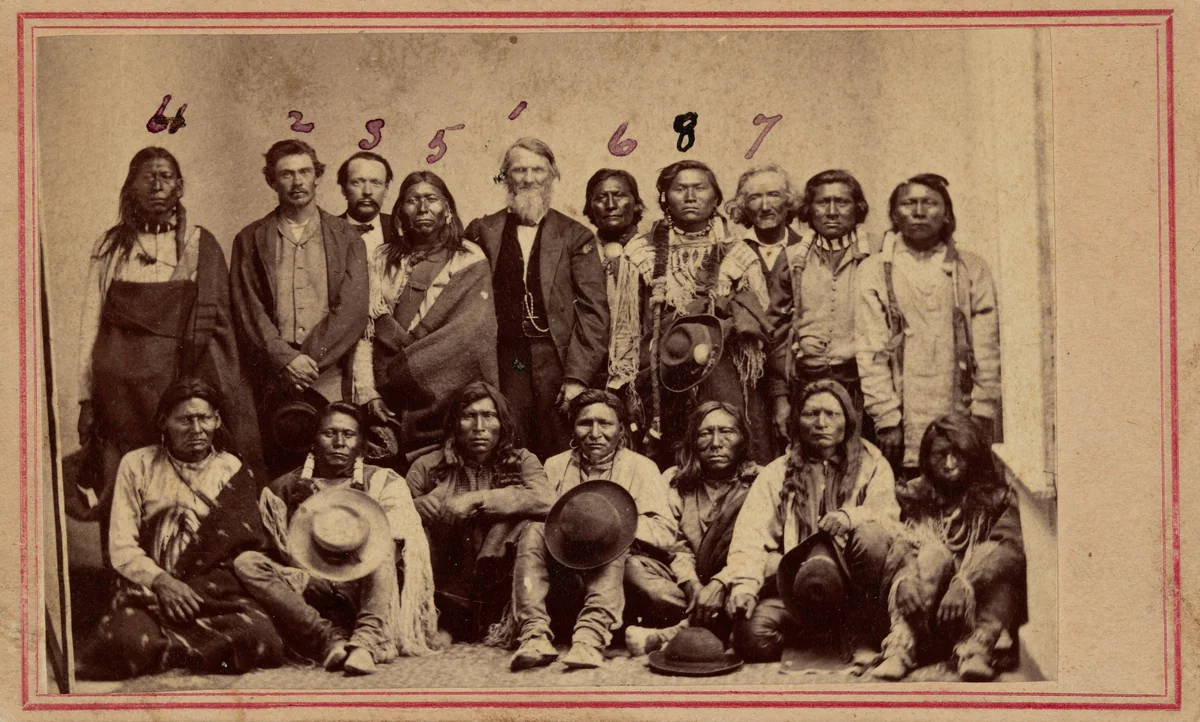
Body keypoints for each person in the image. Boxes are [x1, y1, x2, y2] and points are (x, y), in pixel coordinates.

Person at [76, 148, 264, 554]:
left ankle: (188, 573)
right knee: (124, 482)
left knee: (183, 480)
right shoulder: (110, 247)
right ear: (132, 186)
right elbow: (91, 322)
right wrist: (86, 396)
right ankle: (128, 578)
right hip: (119, 398)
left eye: (166, 177)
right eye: (147, 177)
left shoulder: (198, 243)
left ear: (180, 185)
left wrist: (195, 389)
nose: (157, 185)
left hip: (178, 386)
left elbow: (216, 325)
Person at [76, 378, 283, 680]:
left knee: (262, 638)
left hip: (213, 594)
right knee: (122, 642)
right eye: (185, 419)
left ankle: (168, 648)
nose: (197, 430)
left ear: (217, 420)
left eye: (205, 418)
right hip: (151, 591)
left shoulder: (232, 469)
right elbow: (122, 545)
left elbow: (243, 547)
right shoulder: (137, 465)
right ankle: (199, 648)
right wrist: (162, 582)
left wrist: (197, 589)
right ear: (164, 422)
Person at [234, 402, 438, 675]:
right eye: (329, 434)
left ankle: (366, 641)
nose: (339, 442)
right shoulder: (282, 488)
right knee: (247, 562)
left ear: (362, 444)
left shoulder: (384, 482)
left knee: (384, 540)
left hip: (365, 585)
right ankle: (328, 639)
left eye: (348, 435)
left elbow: (403, 542)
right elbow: (269, 548)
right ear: (313, 441)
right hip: (307, 585)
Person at [724, 379, 899, 663]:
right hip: (797, 588)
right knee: (750, 638)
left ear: (848, 420)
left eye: (831, 414)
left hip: (853, 586)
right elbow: (751, 534)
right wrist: (744, 585)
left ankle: (858, 630)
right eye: (811, 414)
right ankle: (821, 632)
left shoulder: (872, 463)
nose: (821, 423)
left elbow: (888, 516)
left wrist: (850, 517)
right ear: (797, 421)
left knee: (872, 537)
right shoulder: (778, 472)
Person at [609, 160, 768, 466]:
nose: (691, 196)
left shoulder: (739, 253)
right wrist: (623, 386)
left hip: (724, 374)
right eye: (680, 189)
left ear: (716, 197)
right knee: (672, 457)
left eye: (700, 188)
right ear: (665, 197)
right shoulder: (640, 251)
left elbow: (758, 331)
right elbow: (626, 326)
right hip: (662, 376)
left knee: (727, 451)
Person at [509, 390, 676, 671]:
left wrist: (610, 526)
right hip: (568, 570)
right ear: (573, 427)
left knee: (610, 535)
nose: (595, 433)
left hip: (623, 571)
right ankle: (534, 635)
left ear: (621, 429)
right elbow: (546, 522)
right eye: (585, 423)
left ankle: (590, 638)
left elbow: (666, 532)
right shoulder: (555, 465)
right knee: (534, 529)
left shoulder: (642, 468)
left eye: (605, 424)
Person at [230, 139, 369, 476]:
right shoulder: (250, 238)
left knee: (333, 472)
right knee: (278, 472)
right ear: (271, 181)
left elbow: (352, 308)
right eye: (287, 174)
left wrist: (308, 361)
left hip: (330, 377)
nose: (297, 182)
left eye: (305, 172)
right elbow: (247, 307)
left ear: (317, 175)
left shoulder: (347, 236)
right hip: (273, 379)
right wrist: (286, 360)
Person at [465, 138, 610, 461]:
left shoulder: (575, 235)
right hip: (505, 357)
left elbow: (593, 312)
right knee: (507, 441)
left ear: (552, 175)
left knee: (559, 445)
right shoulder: (481, 231)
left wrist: (576, 377)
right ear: (505, 177)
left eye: (538, 170)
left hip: (555, 358)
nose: (529, 178)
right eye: (519, 170)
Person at [350, 171, 499, 468]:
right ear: (400, 212)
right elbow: (365, 332)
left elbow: (468, 337)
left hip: (448, 395)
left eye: (431, 199)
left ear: (446, 209)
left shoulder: (469, 258)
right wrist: (368, 392)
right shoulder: (380, 259)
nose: (422, 208)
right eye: (412, 200)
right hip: (387, 395)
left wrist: (410, 369)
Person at [856, 173, 1001, 479]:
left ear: (946, 213)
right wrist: (886, 419)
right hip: (902, 413)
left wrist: (983, 411)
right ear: (895, 214)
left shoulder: (971, 268)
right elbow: (871, 351)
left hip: (960, 406)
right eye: (909, 203)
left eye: (930, 203)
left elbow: (988, 347)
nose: (919, 212)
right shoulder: (873, 271)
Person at [871, 413, 1026, 681]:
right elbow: (898, 541)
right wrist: (905, 579)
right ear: (926, 459)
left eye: (959, 455)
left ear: (974, 455)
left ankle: (976, 651)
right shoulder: (912, 494)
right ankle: (899, 647)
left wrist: (965, 581)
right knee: (933, 553)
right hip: (923, 616)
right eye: (940, 455)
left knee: (995, 560)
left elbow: (1009, 548)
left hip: (973, 615)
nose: (949, 464)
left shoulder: (998, 498)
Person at [405, 381, 554, 643]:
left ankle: (514, 624)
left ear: (503, 423)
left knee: (528, 527)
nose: (479, 428)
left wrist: (479, 499)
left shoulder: (522, 460)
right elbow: (397, 519)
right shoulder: (427, 466)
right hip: (447, 575)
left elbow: (546, 501)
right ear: (454, 424)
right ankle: (445, 621)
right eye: (469, 416)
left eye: (489, 415)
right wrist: (415, 508)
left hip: (502, 576)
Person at [623, 401, 760, 655]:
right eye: (705, 433)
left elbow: (760, 548)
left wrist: (720, 583)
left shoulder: (760, 482)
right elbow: (675, 544)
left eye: (727, 432)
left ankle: (676, 631)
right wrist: (692, 585)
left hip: (736, 580)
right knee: (632, 567)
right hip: (686, 585)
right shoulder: (675, 480)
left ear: (743, 439)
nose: (716, 442)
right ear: (693, 441)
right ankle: (713, 622)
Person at [763, 169, 874, 446]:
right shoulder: (791, 260)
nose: (832, 211)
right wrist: (780, 399)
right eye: (823, 203)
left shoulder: (876, 259)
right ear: (808, 210)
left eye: (842, 202)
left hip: (863, 388)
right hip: (806, 385)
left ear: (857, 209)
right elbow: (775, 335)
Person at [716, 164, 808, 459]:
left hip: (799, 370)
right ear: (744, 207)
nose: (766, 206)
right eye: (755, 198)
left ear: (789, 202)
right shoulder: (730, 255)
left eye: (774, 195)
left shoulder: (807, 249)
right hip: (750, 379)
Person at [583, 168, 646, 326]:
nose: (610, 205)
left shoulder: (652, 253)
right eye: (601, 197)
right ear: (590, 207)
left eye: (619, 195)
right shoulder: (579, 254)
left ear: (637, 204)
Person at [336, 150, 398, 260]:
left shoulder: (400, 228)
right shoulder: (328, 230)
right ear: (343, 189)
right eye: (357, 182)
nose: (367, 191)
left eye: (376, 183)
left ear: (386, 189)